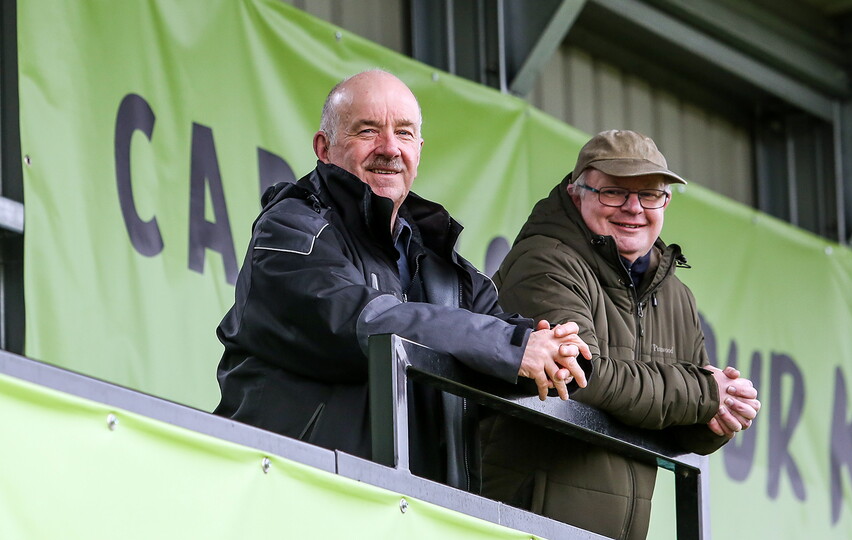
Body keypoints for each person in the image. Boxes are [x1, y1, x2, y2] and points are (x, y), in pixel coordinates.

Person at [213, 70, 590, 489]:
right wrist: (514, 347)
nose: (389, 148)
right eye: (368, 130)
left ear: (419, 151)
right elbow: (367, 322)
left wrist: (557, 351)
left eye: (404, 133)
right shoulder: (289, 229)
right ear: (324, 148)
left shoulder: (444, 266)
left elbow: (505, 336)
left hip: (420, 509)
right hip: (294, 492)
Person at [480, 130, 761, 539]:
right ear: (576, 193)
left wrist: (720, 414)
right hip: (522, 524)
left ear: (665, 202)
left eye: (650, 195)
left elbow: (680, 415)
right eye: (613, 192)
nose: (634, 208)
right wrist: (705, 393)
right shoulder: (544, 260)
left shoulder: (677, 296)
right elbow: (582, 377)